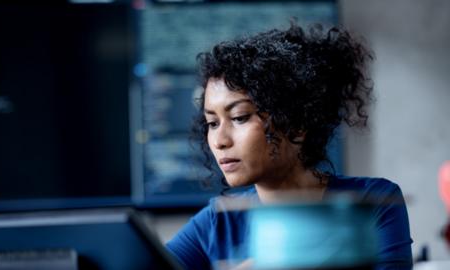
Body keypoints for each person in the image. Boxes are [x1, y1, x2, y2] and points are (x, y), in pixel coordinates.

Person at [166, 22, 413, 270]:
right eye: (212, 122)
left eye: (239, 117)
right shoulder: (217, 222)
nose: (220, 140)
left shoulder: (372, 202)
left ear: (295, 124)